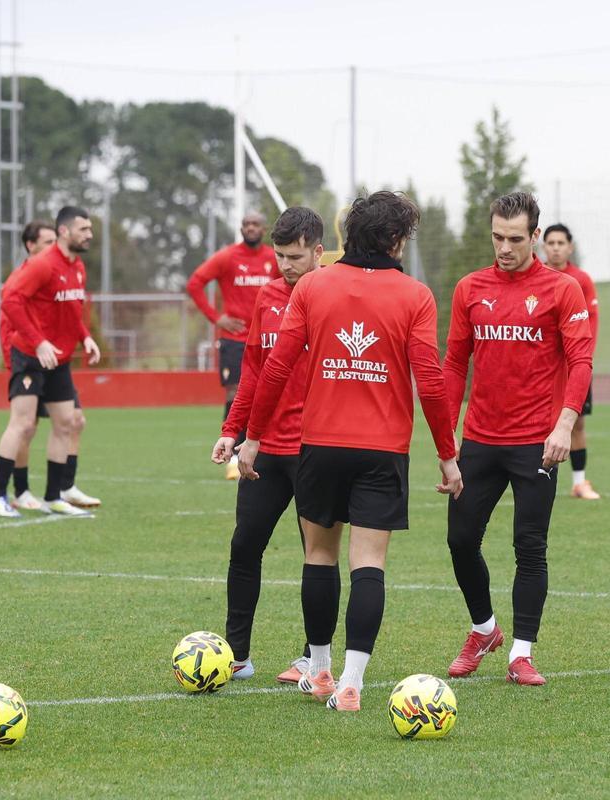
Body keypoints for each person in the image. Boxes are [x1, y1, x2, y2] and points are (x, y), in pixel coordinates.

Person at [238, 192, 462, 712]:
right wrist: (448, 455)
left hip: (318, 444)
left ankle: (318, 671)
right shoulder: (416, 296)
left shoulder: (313, 285)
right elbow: (430, 381)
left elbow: (276, 367)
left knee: (319, 555)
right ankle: (351, 683)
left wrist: (252, 436)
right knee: (370, 564)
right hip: (382, 451)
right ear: (394, 239)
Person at [442, 192, 593, 687]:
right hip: (480, 440)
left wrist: (565, 424)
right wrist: (447, 441)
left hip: (537, 443)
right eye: (497, 238)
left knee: (529, 547)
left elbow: (580, 362)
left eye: (514, 239)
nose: (504, 248)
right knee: (461, 540)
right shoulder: (469, 288)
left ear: (534, 237)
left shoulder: (561, 290)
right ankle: (484, 629)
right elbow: (454, 364)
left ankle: (521, 654)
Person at [211, 206, 324, 685]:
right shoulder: (268, 298)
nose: (286, 265)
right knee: (244, 546)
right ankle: (237, 654)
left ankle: (312, 658)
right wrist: (231, 430)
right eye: (280, 256)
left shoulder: (333, 297)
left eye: (295, 256)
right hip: (265, 449)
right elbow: (254, 371)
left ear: (319, 252)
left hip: (318, 448)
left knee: (317, 555)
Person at [0, 206, 101, 518]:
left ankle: (54, 496)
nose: (89, 235)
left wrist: (85, 336)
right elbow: (10, 299)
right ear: (65, 231)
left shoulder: (77, 266)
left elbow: (72, 310)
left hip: (59, 360)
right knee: (23, 424)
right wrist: (37, 342)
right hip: (30, 357)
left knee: (68, 422)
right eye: (84, 229)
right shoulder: (42, 265)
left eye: (90, 229)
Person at [187, 212, 277, 479]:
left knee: (268, 391)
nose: (251, 228)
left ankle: (261, 448)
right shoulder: (227, 257)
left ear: (264, 228)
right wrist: (217, 318)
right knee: (236, 393)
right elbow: (195, 284)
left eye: (256, 224)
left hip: (268, 339)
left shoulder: (274, 258)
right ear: (241, 228)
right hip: (236, 339)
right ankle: (233, 454)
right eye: (247, 224)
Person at [0, 220, 56, 512]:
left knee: (32, 427)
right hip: (25, 360)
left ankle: (24, 491)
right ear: (30, 245)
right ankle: (8, 492)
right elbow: (8, 324)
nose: (53, 248)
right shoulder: (19, 279)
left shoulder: (48, 276)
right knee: (22, 424)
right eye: (48, 242)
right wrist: (13, 363)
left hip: (46, 360)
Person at [542, 223, 600, 500]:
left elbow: (590, 323)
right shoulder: (535, 278)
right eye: (550, 243)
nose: (555, 248)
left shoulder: (581, 280)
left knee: (576, 424)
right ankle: (532, 477)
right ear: (543, 246)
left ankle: (579, 482)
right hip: (542, 369)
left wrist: (582, 360)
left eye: (560, 243)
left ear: (570, 247)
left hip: (573, 367)